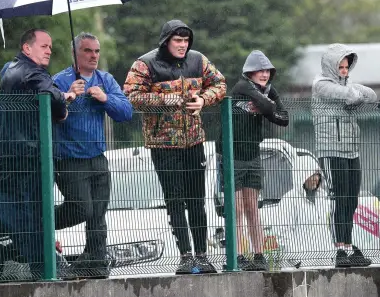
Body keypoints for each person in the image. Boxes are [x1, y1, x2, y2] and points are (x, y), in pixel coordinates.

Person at [0, 28, 80, 278]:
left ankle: (45, 264)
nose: (49, 50)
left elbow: (52, 103)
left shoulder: (17, 84)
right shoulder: (30, 75)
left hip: (6, 166)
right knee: (27, 220)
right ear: (27, 49)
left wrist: (63, 101)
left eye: (51, 46)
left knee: (32, 218)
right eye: (44, 46)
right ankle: (45, 268)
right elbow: (54, 101)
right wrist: (64, 101)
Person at [124, 19, 227, 274]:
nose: (182, 45)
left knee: (197, 200)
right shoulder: (145, 64)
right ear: (166, 41)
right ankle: (184, 255)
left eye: (185, 41)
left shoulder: (198, 60)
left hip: (194, 140)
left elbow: (220, 84)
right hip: (163, 144)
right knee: (174, 201)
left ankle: (202, 255)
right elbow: (130, 95)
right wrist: (163, 99)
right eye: (177, 41)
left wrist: (203, 99)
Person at [52, 32, 133, 278]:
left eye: (97, 51)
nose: (94, 55)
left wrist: (105, 98)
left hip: (98, 157)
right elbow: (49, 114)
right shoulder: (59, 80)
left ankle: (95, 261)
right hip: (69, 159)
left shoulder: (104, 79)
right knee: (82, 208)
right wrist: (68, 96)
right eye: (88, 51)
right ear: (75, 53)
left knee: (98, 214)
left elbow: (126, 112)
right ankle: (39, 225)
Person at [216, 50, 289, 271]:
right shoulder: (242, 87)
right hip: (232, 155)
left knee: (252, 208)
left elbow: (283, 119)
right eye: (260, 70)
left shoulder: (268, 91)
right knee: (236, 208)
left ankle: (259, 255)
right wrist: (268, 108)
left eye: (267, 70)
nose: (264, 74)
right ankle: (237, 255)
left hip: (253, 154)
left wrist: (267, 108)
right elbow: (270, 109)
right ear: (250, 72)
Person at [312, 43, 377, 267]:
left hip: (351, 150)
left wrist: (356, 95)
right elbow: (348, 94)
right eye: (340, 67)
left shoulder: (349, 84)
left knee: (352, 200)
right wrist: (356, 95)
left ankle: (348, 245)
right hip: (331, 151)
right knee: (339, 199)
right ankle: (340, 248)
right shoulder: (320, 85)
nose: (344, 71)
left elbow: (371, 95)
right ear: (331, 66)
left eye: (346, 67)